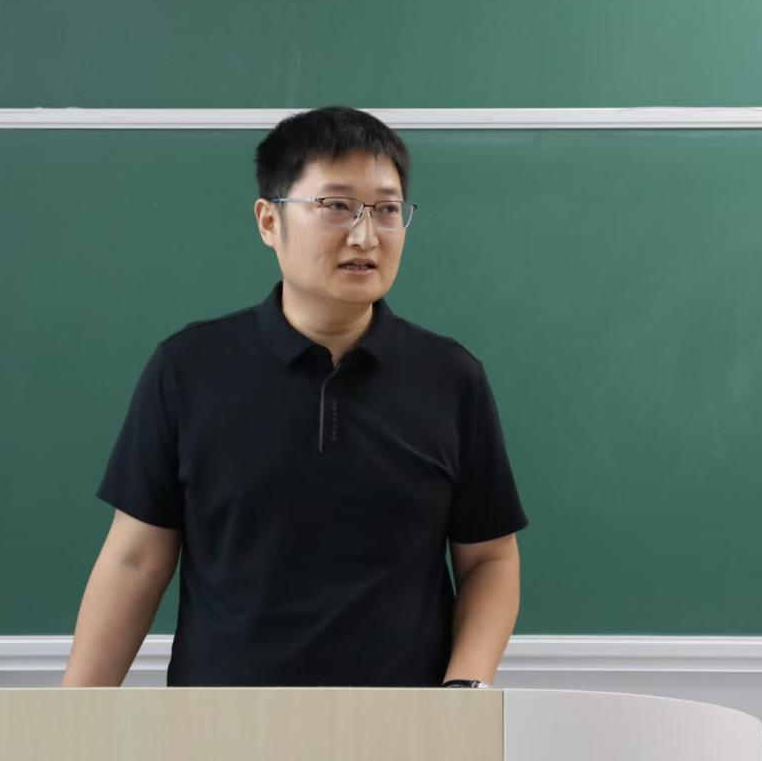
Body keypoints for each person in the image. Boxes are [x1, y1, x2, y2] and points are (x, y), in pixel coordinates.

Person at [62, 106, 527, 688]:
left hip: (403, 724)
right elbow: (135, 561)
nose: (365, 235)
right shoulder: (188, 369)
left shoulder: (451, 378)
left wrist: (464, 689)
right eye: (336, 206)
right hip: (221, 722)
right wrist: (73, 718)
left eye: (387, 210)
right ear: (269, 221)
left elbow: (489, 559)